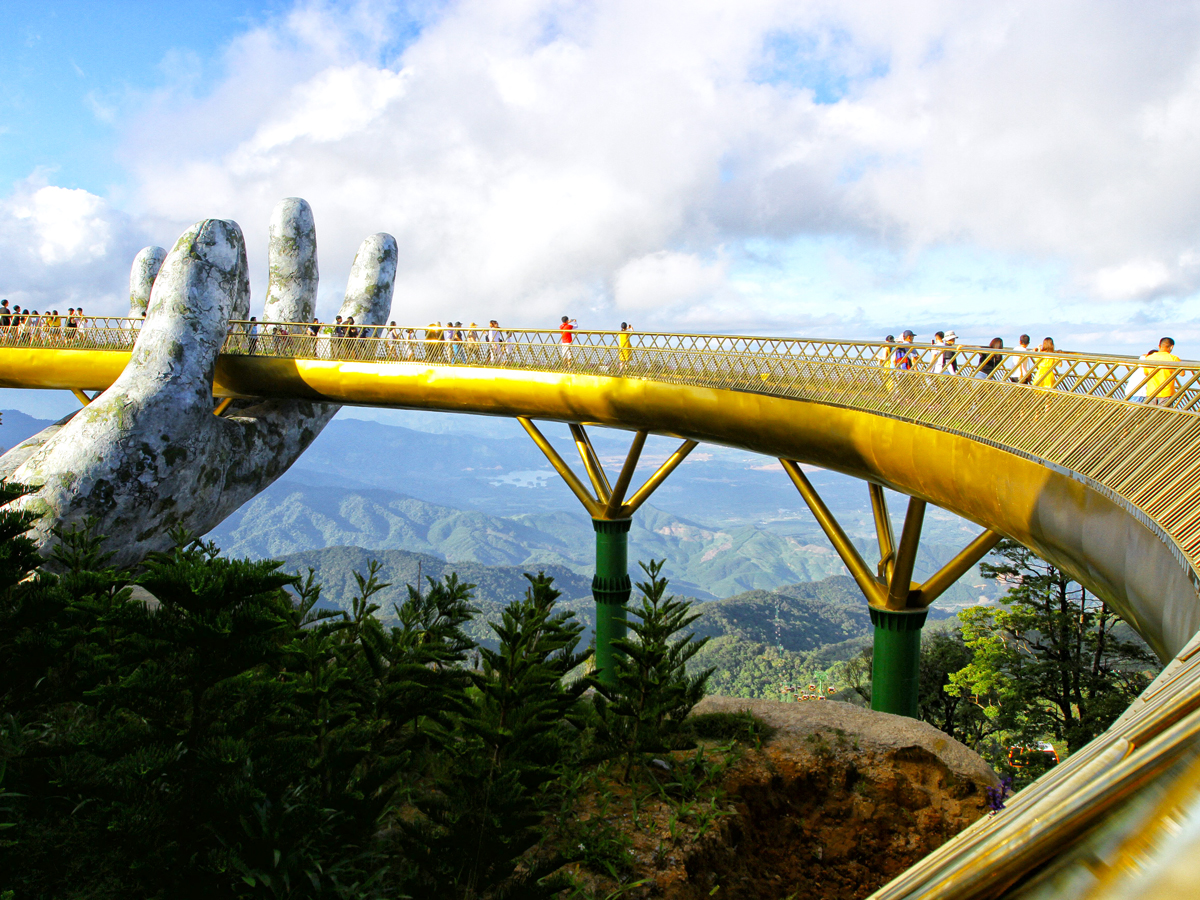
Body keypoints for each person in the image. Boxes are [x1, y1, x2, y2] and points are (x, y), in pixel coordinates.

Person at [1144, 337, 1182, 405]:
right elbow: (1182, 373)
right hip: (1166, 392)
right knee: (1164, 411)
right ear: (1171, 347)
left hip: (1151, 391)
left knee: (1150, 411)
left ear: (1159, 346)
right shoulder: (1174, 358)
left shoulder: (1149, 358)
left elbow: (1146, 373)